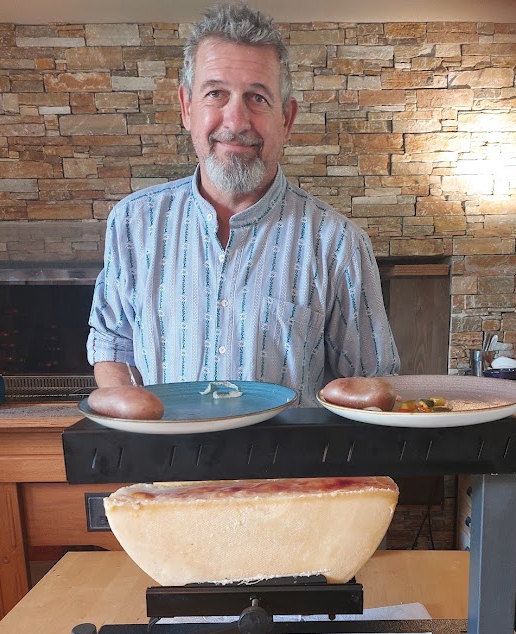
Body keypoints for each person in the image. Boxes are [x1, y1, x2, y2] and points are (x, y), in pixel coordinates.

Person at [87, 3, 399, 406]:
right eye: (215, 94)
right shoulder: (132, 224)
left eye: (257, 97)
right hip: (166, 468)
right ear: (186, 107)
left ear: (287, 119)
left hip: (289, 470)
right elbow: (113, 343)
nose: (236, 121)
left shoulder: (339, 244)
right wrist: (127, 404)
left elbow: (373, 382)